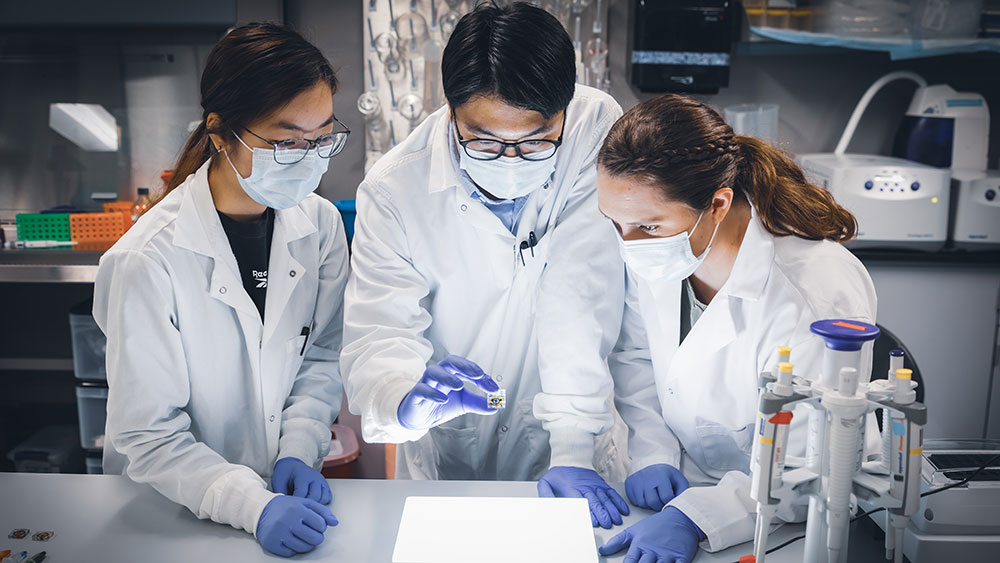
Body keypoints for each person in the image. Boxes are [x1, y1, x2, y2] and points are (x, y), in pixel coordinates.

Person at [342, 2, 631, 528]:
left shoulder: (596, 132)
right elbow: (380, 332)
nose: (510, 158)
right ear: (449, 110)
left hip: (578, 456)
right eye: (485, 140)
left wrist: (570, 448)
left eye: (536, 140)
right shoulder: (394, 190)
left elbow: (581, 294)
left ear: (563, 110)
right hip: (450, 462)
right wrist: (404, 399)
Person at [93, 23, 351, 557]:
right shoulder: (148, 259)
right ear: (218, 131)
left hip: (275, 494)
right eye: (284, 142)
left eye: (321, 138)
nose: (308, 157)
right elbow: (147, 435)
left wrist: (300, 448)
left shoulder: (320, 226)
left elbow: (321, 354)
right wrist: (251, 506)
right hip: (167, 514)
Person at [595, 95, 882, 562]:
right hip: (678, 488)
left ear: (717, 204)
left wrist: (696, 516)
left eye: (647, 227)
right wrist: (652, 451)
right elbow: (636, 354)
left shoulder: (813, 291)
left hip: (785, 518)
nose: (629, 245)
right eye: (615, 223)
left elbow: (810, 467)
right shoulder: (661, 252)